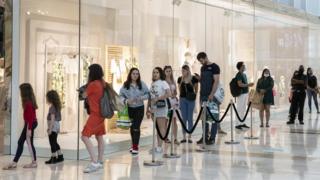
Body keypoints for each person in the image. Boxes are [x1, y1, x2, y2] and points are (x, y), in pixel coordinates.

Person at [3, 83, 38, 170]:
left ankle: (33, 163)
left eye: (21, 91)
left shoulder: (28, 103)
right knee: (21, 142)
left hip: (30, 124)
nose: (20, 93)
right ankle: (15, 162)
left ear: (24, 92)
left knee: (28, 143)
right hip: (30, 123)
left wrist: (29, 129)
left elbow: (30, 118)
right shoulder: (29, 101)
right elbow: (31, 117)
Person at [81, 64, 106, 173]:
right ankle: (100, 161)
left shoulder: (93, 84)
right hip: (101, 114)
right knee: (99, 137)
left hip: (95, 114)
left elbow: (83, 96)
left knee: (84, 136)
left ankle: (94, 162)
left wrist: (83, 89)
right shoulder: (102, 83)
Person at [120, 68, 150, 155]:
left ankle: (135, 147)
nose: (135, 75)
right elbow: (120, 96)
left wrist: (141, 98)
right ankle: (133, 145)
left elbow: (148, 94)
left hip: (139, 108)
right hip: (130, 109)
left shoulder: (142, 84)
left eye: (137, 74)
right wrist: (126, 101)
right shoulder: (125, 85)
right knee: (132, 127)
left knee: (136, 127)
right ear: (130, 74)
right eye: (134, 73)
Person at [196, 52, 222, 145]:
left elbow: (216, 81)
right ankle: (204, 136)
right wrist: (199, 78)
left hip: (212, 96)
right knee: (204, 118)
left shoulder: (215, 67)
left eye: (202, 60)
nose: (201, 62)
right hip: (202, 95)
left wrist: (212, 94)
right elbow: (203, 81)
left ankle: (212, 138)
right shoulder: (202, 68)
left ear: (206, 57)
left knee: (213, 117)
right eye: (200, 61)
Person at [147, 67, 171, 153]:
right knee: (157, 127)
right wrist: (148, 109)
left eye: (157, 72)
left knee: (161, 127)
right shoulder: (152, 83)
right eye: (154, 72)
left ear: (160, 73)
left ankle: (160, 147)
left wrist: (158, 98)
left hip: (161, 107)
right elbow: (150, 97)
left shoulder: (163, 83)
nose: (155, 74)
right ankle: (158, 146)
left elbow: (169, 93)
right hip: (153, 108)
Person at [177, 65, 199, 143]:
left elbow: (196, 88)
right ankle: (183, 136)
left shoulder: (193, 78)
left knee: (190, 118)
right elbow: (179, 89)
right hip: (182, 99)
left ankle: (190, 136)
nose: (183, 72)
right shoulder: (180, 79)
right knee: (184, 118)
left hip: (191, 100)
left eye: (184, 70)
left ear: (188, 70)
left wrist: (194, 96)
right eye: (182, 70)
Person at [45, 90, 64, 164]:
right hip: (56, 125)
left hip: (53, 125)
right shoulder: (57, 106)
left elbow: (52, 119)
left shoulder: (52, 107)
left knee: (52, 142)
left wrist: (50, 128)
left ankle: (53, 157)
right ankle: (60, 156)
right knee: (55, 142)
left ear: (50, 98)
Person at [235, 61, 254, 130]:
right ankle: (238, 124)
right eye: (243, 66)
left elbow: (245, 84)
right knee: (239, 108)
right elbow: (239, 84)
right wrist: (248, 85)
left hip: (245, 93)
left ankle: (242, 123)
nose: (244, 67)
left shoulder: (244, 75)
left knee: (243, 109)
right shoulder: (239, 74)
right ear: (240, 67)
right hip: (241, 94)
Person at [164, 65, 179, 145]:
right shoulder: (163, 81)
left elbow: (176, 91)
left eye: (170, 71)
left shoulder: (173, 80)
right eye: (167, 71)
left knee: (174, 120)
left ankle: (175, 138)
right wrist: (169, 95)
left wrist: (175, 95)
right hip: (167, 102)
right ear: (164, 72)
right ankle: (165, 137)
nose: (169, 73)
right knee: (166, 121)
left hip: (173, 101)